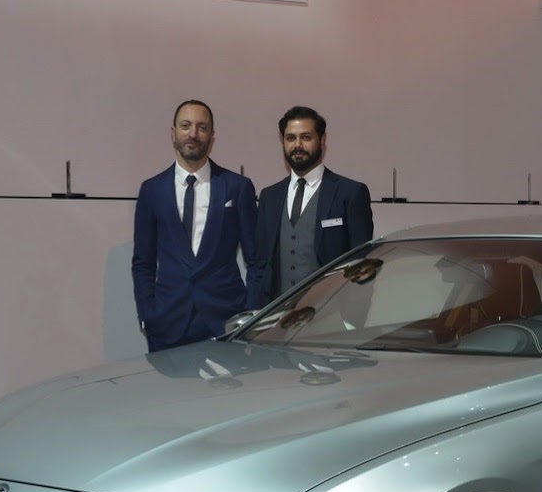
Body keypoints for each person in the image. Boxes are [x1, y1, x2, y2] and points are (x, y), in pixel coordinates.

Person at [132, 100, 259, 352]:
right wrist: (147, 315)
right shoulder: (152, 190)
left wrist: (251, 315)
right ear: (173, 133)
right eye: (186, 126)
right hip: (167, 323)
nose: (193, 134)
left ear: (212, 136)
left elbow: (257, 260)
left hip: (227, 322)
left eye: (202, 127)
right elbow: (143, 262)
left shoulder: (237, 187)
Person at [250, 106, 374, 308]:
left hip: (332, 315)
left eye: (306, 137)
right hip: (278, 316)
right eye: (290, 138)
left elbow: (362, 264)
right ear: (282, 141)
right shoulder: (269, 197)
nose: (297, 145)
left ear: (322, 140)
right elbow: (261, 265)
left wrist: (356, 318)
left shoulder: (350, 193)